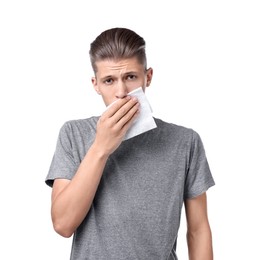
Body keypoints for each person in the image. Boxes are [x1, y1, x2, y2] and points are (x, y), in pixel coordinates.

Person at [45, 27, 215, 260]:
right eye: (109, 80)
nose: (121, 92)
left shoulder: (185, 142)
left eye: (131, 77)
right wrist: (101, 148)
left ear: (148, 76)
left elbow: (198, 230)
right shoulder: (74, 134)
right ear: (96, 85)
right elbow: (63, 224)